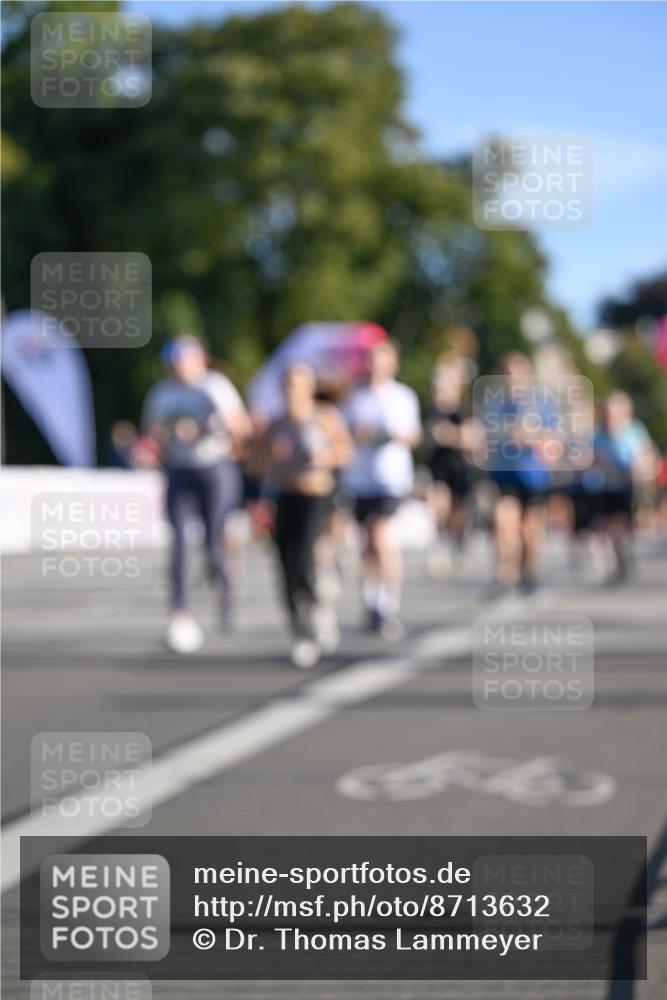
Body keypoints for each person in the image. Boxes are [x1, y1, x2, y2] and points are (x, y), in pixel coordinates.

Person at [140, 334, 252, 653]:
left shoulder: (214, 387)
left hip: (214, 469)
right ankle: (181, 612)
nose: (179, 368)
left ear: (199, 359)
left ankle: (224, 590)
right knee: (178, 540)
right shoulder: (161, 394)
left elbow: (241, 427)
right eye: (174, 362)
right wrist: (150, 448)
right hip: (179, 471)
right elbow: (152, 435)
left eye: (185, 361)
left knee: (213, 539)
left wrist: (205, 430)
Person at [258, 363, 353, 668]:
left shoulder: (324, 417)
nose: (292, 392)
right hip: (286, 496)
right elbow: (255, 462)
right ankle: (300, 630)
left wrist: (324, 456)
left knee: (304, 560)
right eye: (287, 385)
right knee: (284, 568)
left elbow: (346, 451)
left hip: (317, 496)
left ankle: (317, 613)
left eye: (298, 385)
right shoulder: (276, 423)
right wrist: (271, 455)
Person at [342, 339, 422, 639]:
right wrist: (357, 433)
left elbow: (414, 436)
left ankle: (389, 603)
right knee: (367, 543)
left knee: (382, 537)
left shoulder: (403, 396)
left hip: (391, 479)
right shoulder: (354, 396)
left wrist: (391, 434)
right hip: (359, 479)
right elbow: (341, 433)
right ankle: (371, 598)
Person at [481, 352, 558, 597]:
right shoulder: (494, 404)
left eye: (516, 374)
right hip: (504, 474)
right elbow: (484, 436)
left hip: (533, 475)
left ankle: (529, 572)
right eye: (507, 374)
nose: (512, 379)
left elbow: (555, 440)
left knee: (529, 530)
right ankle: (505, 574)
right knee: (504, 521)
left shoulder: (541, 404)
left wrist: (531, 437)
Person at [585, 391, 657, 584]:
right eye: (608, 412)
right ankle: (618, 558)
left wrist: (641, 465)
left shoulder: (634, 430)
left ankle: (623, 554)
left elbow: (646, 453)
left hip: (628, 484)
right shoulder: (599, 434)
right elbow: (591, 458)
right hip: (606, 484)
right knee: (609, 524)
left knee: (623, 522)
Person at [425, 352, 479, 577]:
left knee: (459, 511)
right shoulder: (433, 411)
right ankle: (440, 546)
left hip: (460, 467)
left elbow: (471, 438)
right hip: (439, 466)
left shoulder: (465, 410)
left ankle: (458, 543)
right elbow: (428, 436)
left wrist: (450, 435)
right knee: (439, 504)